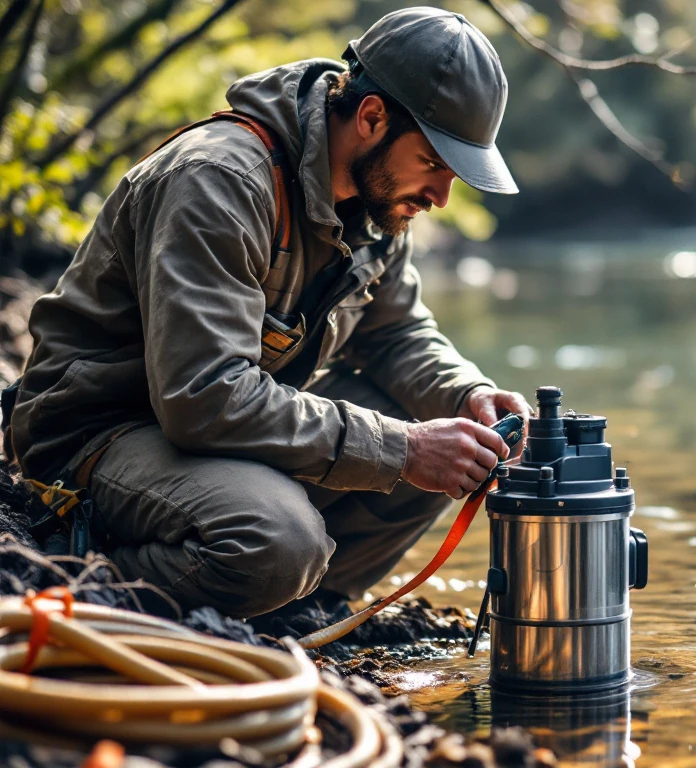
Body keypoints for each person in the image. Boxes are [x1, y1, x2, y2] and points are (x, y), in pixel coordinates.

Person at [3, 7, 531, 620]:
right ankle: (85, 566)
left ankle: (294, 609)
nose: (442, 197)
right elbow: (205, 397)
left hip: (213, 435)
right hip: (99, 434)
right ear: (371, 117)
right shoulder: (218, 180)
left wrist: (466, 394)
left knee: (454, 439)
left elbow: (396, 334)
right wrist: (404, 449)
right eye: (436, 165)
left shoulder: (379, 202)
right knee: (278, 542)